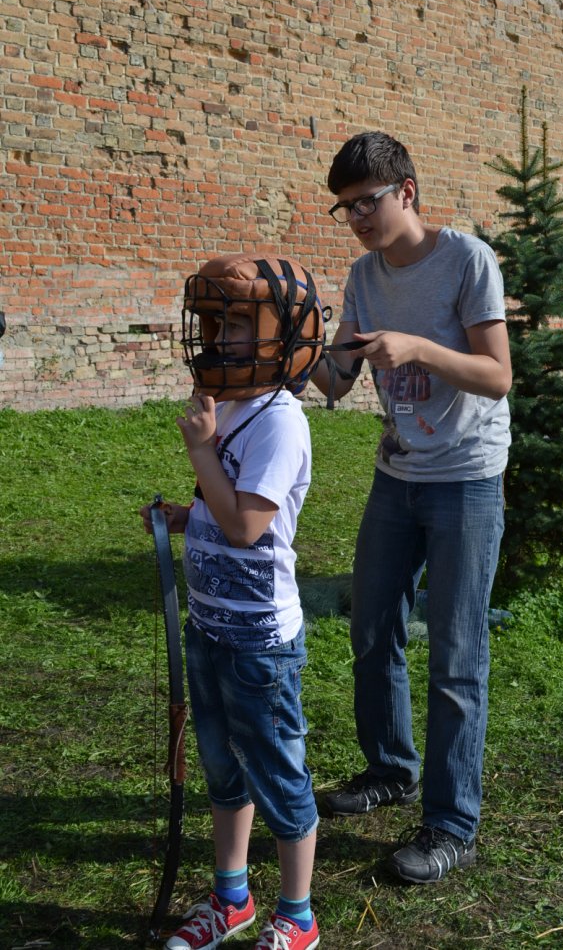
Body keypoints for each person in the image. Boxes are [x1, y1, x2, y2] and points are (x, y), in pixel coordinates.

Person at [310, 131, 511, 884]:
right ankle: (390, 767)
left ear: (408, 192)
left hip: (465, 477)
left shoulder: (466, 260)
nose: (357, 217)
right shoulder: (363, 275)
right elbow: (335, 379)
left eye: (368, 201)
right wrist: (297, 354)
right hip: (396, 475)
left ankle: (452, 821)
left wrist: (418, 349)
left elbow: (497, 375)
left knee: (457, 654)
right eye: (346, 207)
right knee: (371, 626)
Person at [141, 253, 324, 950]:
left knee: (277, 773)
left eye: (238, 323)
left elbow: (249, 526)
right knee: (222, 766)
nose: (219, 336)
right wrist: (189, 514)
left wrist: (201, 454)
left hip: (259, 645)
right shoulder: (234, 403)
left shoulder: (280, 420)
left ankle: (298, 916)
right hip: (210, 628)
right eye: (214, 320)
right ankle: (232, 899)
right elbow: (223, 508)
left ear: (285, 333)